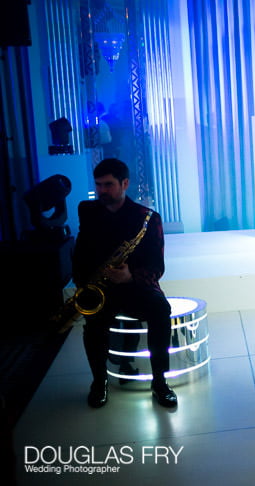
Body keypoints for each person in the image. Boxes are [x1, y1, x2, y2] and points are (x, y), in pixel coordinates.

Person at [72, 158, 177, 408]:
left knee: (161, 311)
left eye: (108, 184)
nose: (101, 191)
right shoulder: (87, 211)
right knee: (93, 325)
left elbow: (157, 266)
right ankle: (99, 381)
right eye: (98, 185)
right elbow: (80, 254)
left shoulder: (148, 218)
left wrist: (131, 276)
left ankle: (160, 381)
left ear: (125, 183)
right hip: (100, 288)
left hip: (135, 284)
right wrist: (83, 285)